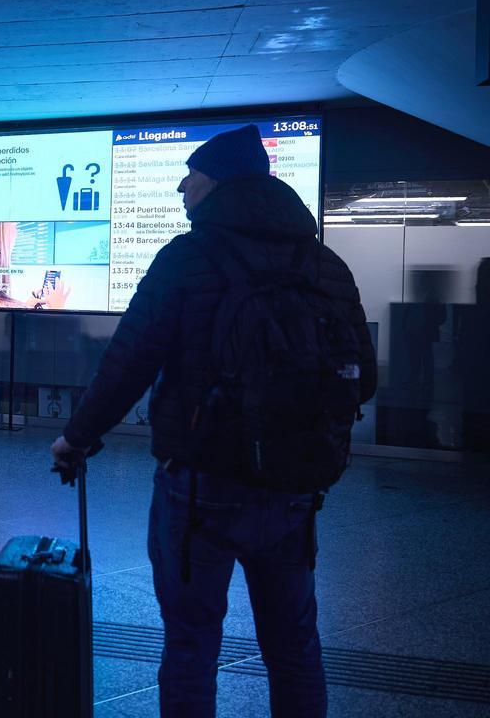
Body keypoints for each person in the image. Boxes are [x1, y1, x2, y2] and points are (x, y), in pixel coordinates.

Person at [50, 124, 377, 717]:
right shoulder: (324, 263)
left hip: (201, 486)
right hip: (294, 486)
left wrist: (76, 439)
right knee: (295, 647)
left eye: (191, 176)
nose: (181, 187)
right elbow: (365, 378)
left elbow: (129, 361)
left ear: (219, 182)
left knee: (191, 646)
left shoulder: (187, 257)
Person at [0, 221, 70, 308]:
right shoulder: (0, 307)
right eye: (15, 226)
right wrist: (56, 309)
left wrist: (26, 307)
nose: (16, 233)